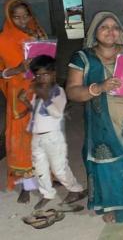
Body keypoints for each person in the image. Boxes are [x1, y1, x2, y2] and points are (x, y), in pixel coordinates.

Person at [65, 11, 123, 223]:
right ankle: (111, 204)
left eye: (115, 27)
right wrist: (99, 87)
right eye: (104, 27)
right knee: (108, 164)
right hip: (103, 120)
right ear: (95, 32)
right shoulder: (83, 58)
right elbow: (72, 91)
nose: (110, 32)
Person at [18, 55, 86, 209]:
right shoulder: (38, 91)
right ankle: (47, 193)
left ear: (54, 73)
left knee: (59, 168)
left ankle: (76, 190)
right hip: (37, 137)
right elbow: (36, 112)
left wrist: (44, 96)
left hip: (53, 137)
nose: (41, 78)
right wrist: (26, 102)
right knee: (39, 168)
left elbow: (56, 113)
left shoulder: (58, 91)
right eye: (38, 75)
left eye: (45, 74)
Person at [0, 0, 48, 203]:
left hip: (40, 92)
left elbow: (49, 62)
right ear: (9, 18)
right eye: (16, 17)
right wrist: (19, 69)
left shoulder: (38, 33)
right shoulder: (3, 40)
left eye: (24, 16)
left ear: (30, 15)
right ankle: (26, 186)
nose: (21, 20)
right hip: (18, 97)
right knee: (21, 140)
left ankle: (46, 179)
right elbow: (1, 73)